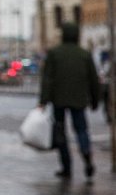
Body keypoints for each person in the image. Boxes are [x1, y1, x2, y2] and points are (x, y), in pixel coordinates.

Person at [39, 22, 100, 179]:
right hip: (79, 100)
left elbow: (47, 79)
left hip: (58, 100)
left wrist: (43, 100)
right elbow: (94, 80)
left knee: (60, 133)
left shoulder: (54, 53)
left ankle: (66, 167)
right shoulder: (84, 54)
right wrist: (95, 100)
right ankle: (86, 156)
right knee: (81, 130)